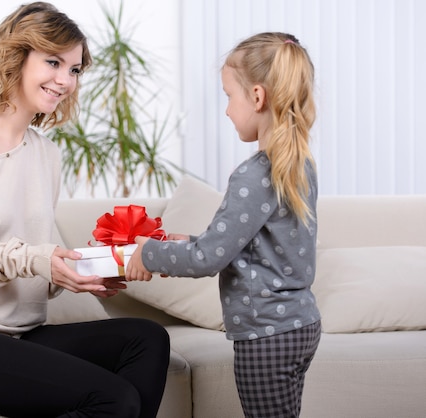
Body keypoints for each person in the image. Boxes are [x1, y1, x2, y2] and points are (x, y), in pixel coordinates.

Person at [0, 3, 170, 417]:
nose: (65, 81)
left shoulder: (45, 153)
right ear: (17, 56)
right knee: (115, 398)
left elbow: (36, 262)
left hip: (20, 334)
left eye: (75, 70)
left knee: (147, 338)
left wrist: (84, 269)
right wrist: (36, 259)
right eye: (54, 62)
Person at [126, 32, 321, 418]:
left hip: (265, 335)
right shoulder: (298, 165)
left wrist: (147, 253)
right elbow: (249, 244)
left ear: (258, 97)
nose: (228, 110)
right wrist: (191, 240)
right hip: (300, 326)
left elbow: (205, 260)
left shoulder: (255, 174)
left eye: (229, 96)